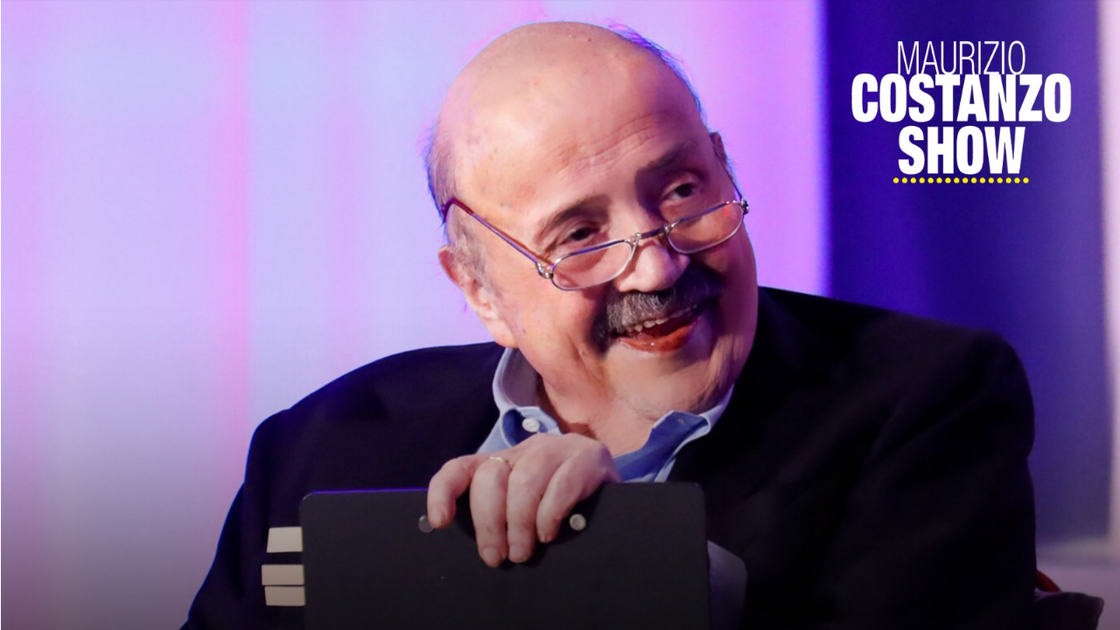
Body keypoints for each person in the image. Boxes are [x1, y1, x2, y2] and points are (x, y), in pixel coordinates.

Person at [182, 21, 1037, 630]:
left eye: (682, 191)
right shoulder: (320, 448)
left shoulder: (926, 400)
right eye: (580, 236)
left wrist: (633, 558)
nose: (656, 266)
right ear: (479, 289)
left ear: (727, 169)